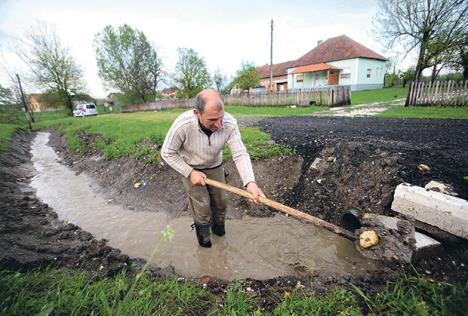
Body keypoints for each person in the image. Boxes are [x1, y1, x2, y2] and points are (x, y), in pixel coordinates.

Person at [161, 89, 264, 248]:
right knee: (202, 206)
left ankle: (219, 233)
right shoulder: (183, 125)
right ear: (197, 113)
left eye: (221, 118)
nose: (218, 124)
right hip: (190, 167)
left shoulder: (229, 123)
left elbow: (240, 153)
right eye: (212, 120)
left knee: (221, 202)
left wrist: (250, 183)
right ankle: (205, 244)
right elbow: (167, 152)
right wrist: (190, 172)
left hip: (215, 166)